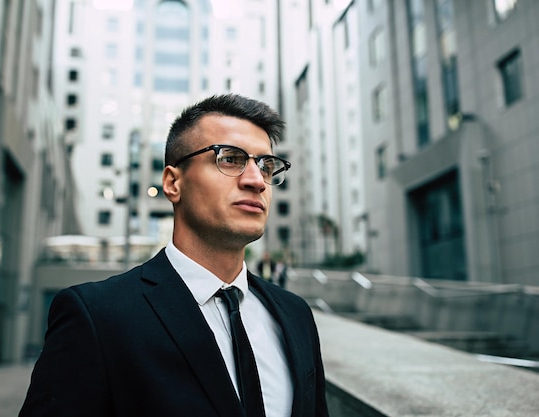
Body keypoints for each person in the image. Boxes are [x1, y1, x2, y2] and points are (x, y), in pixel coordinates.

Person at [19, 94, 330, 417]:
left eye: (266, 166)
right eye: (230, 159)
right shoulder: (97, 316)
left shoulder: (295, 315)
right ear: (172, 183)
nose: (256, 181)